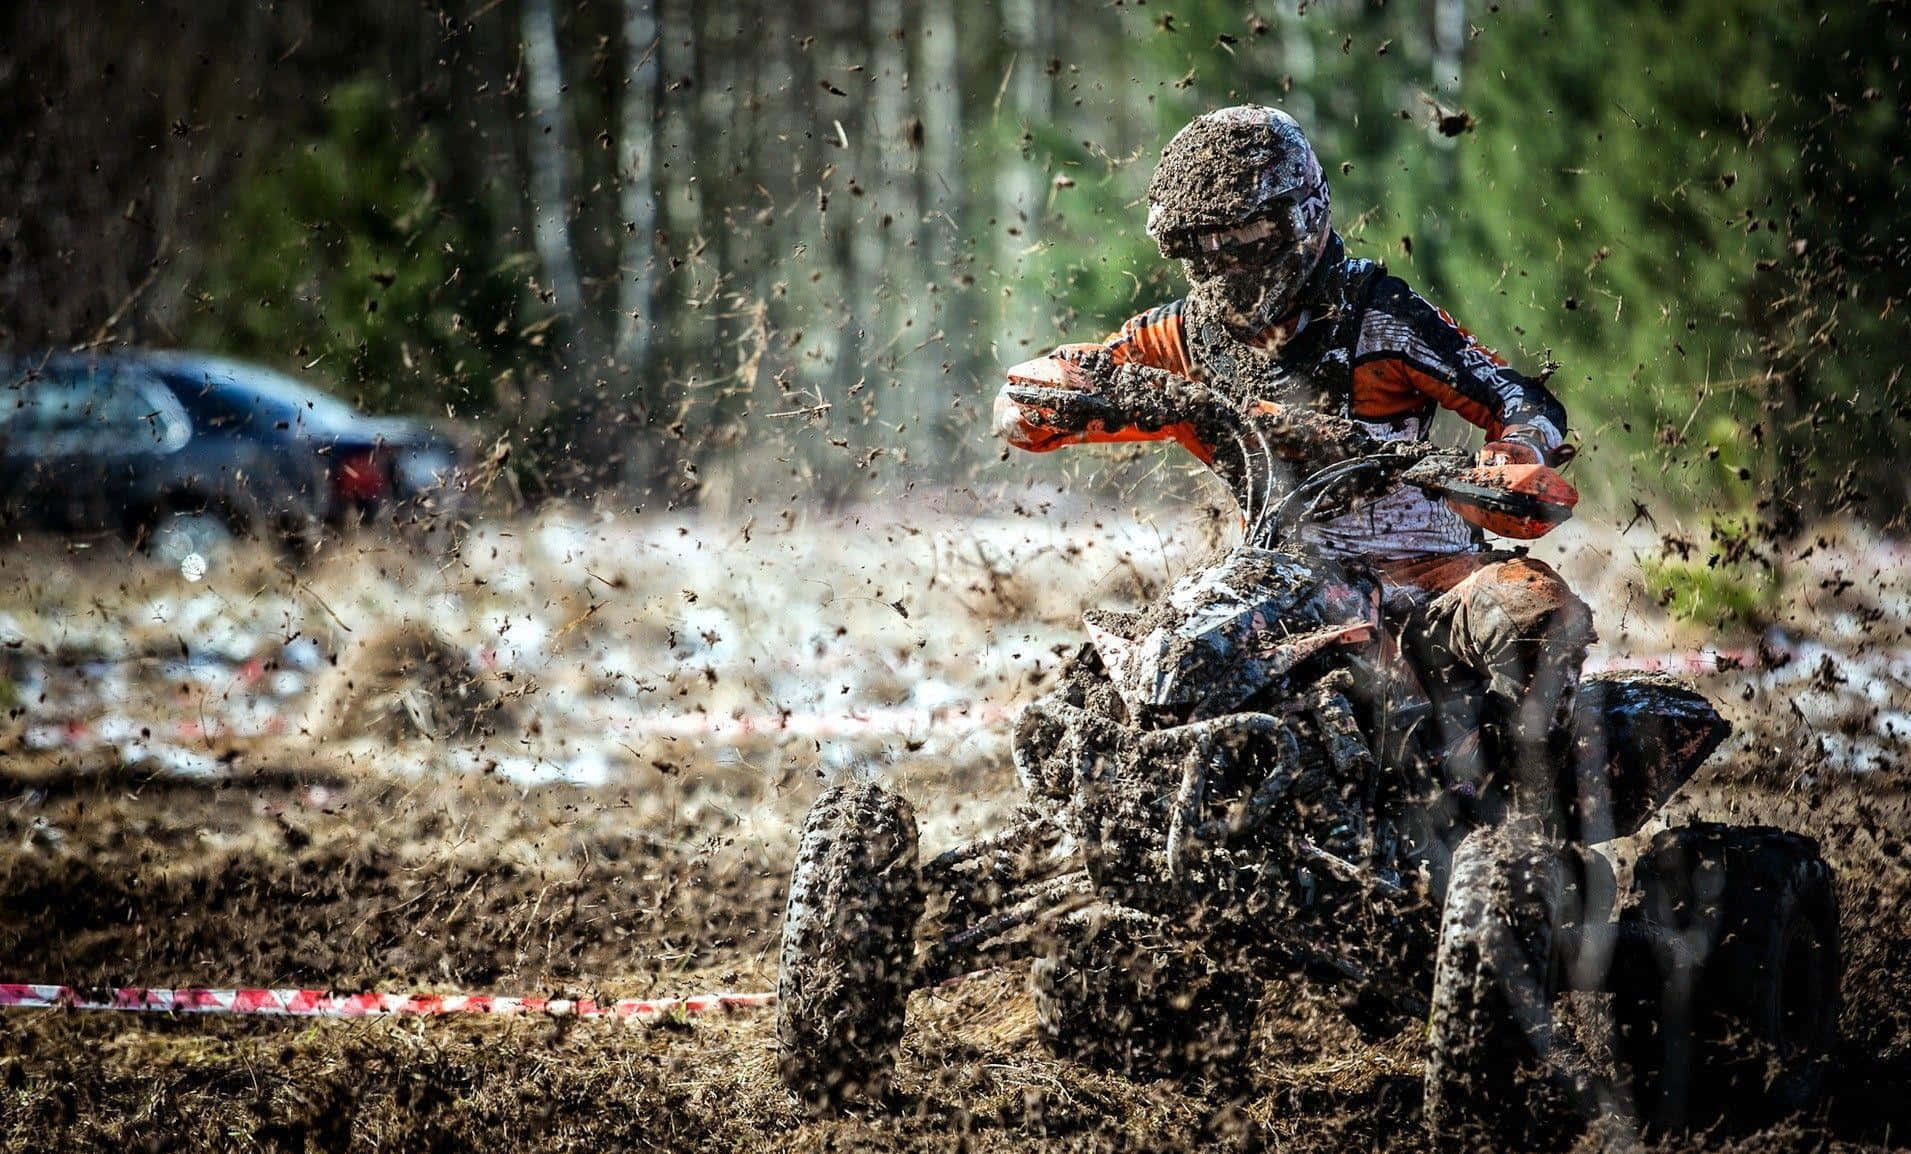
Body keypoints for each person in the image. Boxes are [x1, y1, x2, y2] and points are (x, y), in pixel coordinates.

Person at [993, 105, 1594, 815]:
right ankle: (1077, 823)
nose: (1223, 262)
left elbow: (1519, 400)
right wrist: (1051, 396)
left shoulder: (1378, 314)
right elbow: (1028, 405)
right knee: (1134, 664)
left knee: (1530, 613)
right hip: (1281, 581)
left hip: (1428, 579)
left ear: (1299, 216)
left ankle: (1513, 818)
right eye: (1201, 246)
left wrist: (1507, 461)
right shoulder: (1180, 338)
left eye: (1242, 236)